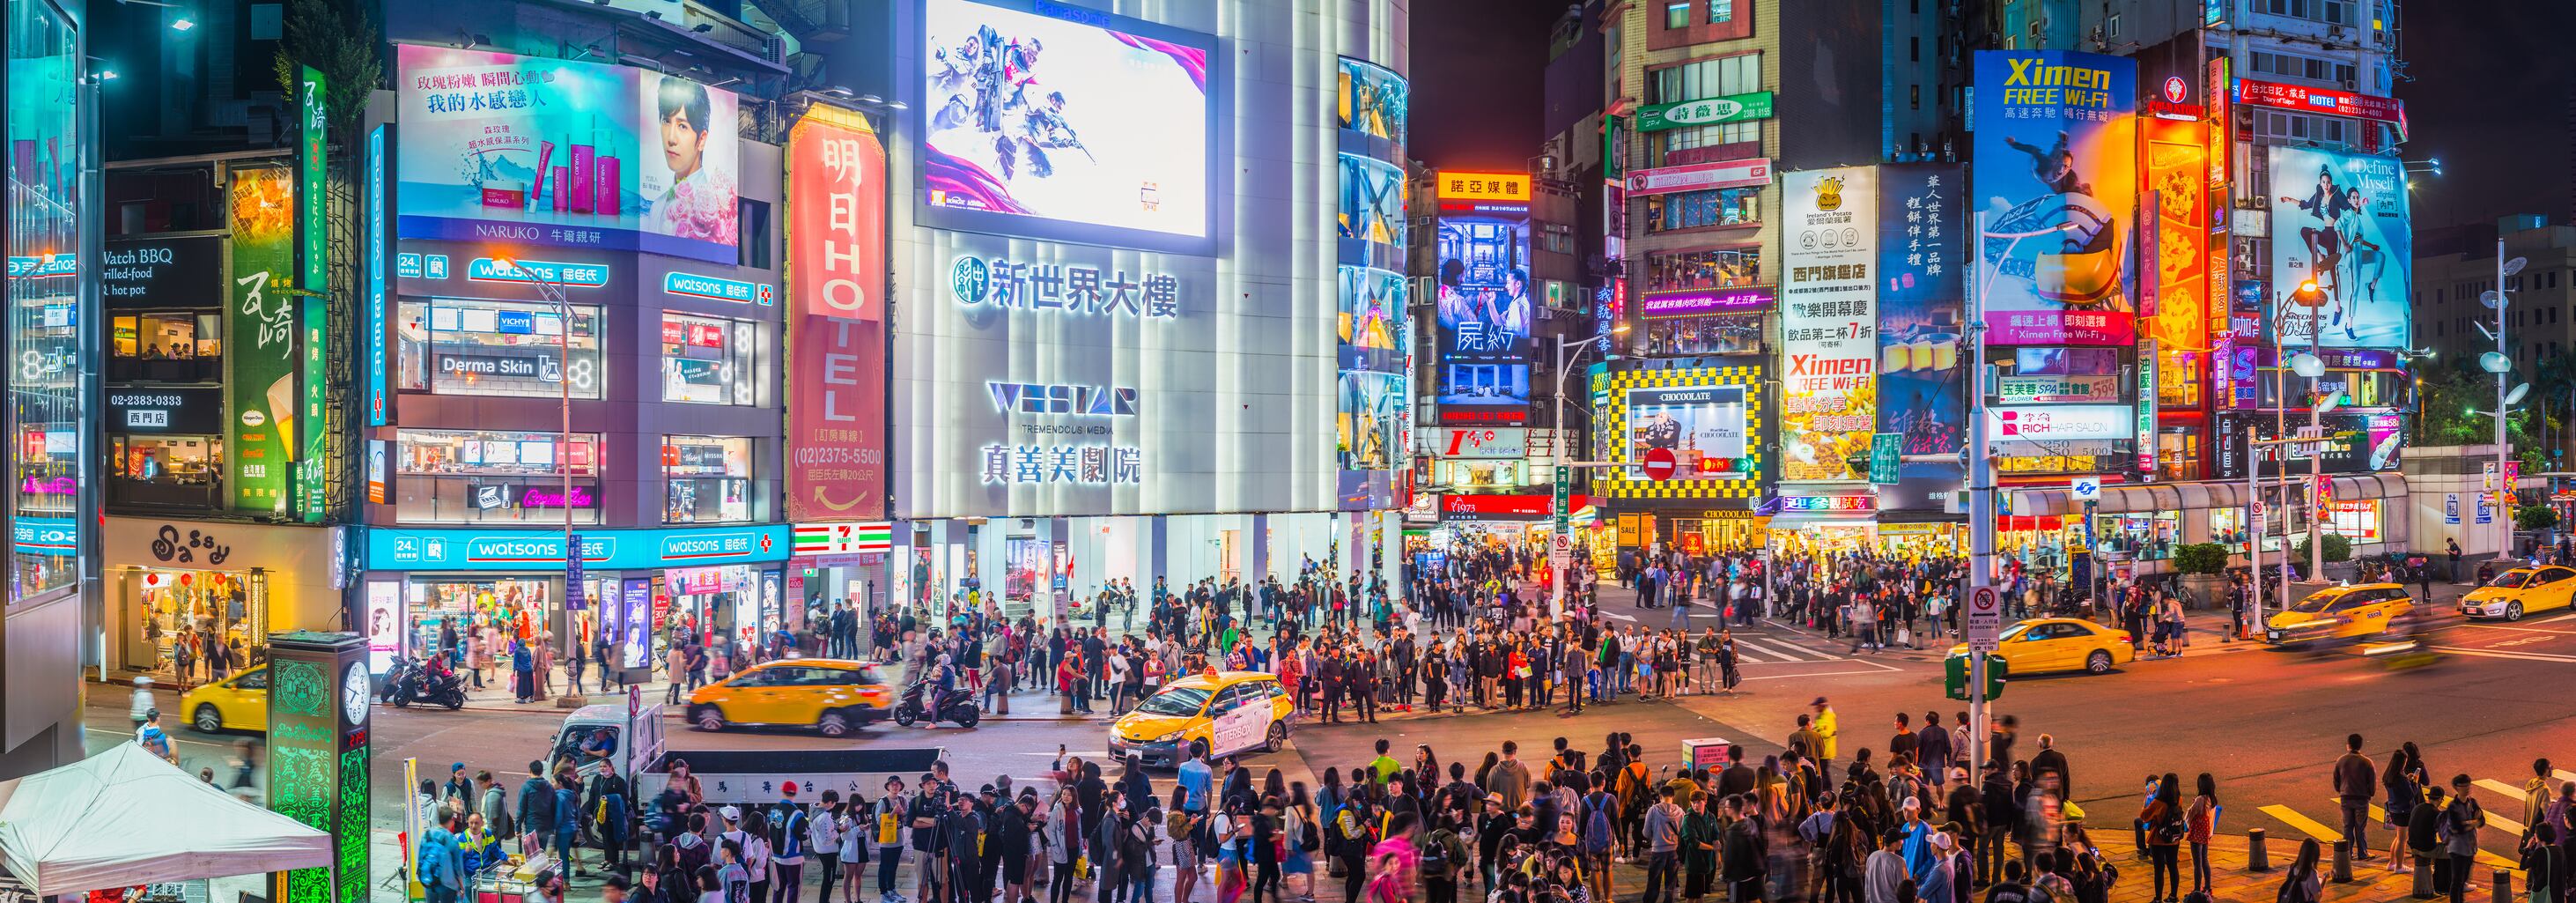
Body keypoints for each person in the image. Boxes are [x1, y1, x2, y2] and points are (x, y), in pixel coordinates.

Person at [2332, 734, 2378, 862]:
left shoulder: (2341, 760)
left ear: (2349, 745)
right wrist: (2370, 793)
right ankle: (2362, 853)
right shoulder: (2367, 762)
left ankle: (2347, 853)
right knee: (2360, 827)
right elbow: (2372, 783)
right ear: (2360, 745)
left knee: (2347, 826)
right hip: (2361, 799)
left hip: (2345, 797)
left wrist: (2341, 790)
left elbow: (2336, 780)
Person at [2279, 838, 2323, 903]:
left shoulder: (2292, 868)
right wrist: (2324, 881)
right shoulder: (2311, 873)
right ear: (2315, 856)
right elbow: (2317, 898)